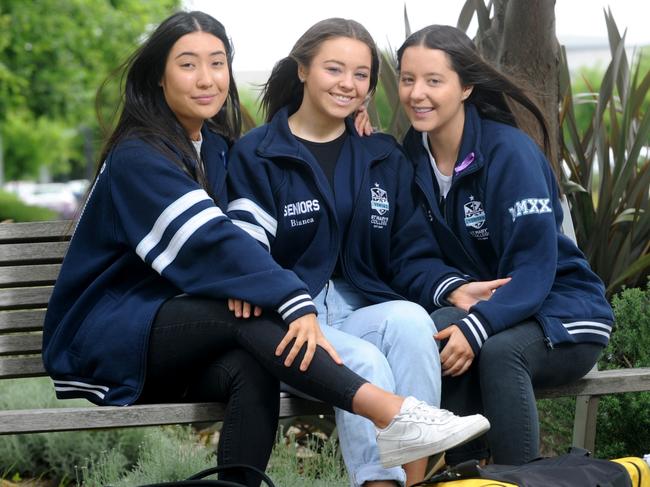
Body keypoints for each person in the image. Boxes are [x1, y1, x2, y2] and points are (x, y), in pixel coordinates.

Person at [41, 12, 488, 487]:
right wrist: (282, 294)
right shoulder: (139, 156)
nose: (207, 79)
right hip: (115, 329)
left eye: (217, 63)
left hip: (176, 322)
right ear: (159, 75)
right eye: (188, 65)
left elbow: (242, 220)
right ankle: (392, 414)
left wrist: (449, 288)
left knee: (249, 369)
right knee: (250, 314)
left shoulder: (213, 147)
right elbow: (208, 239)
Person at [226, 18, 491, 487]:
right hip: (286, 321)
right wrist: (267, 292)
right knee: (365, 361)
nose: (348, 84)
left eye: (361, 74)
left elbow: (408, 252)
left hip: (357, 306)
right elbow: (247, 247)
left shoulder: (380, 155)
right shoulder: (258, 152)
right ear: (303, 70)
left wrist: (453, 290)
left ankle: (414, 481)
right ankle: (378, 484)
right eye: (334, 69)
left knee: (412, 322)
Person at [396, 25, 614, 466]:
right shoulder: (412, 154)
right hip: (490, 311)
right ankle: (467, 473)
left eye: (434, 81)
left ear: (466, 86)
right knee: (441, 327)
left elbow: (534, 268)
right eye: (406, 79)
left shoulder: (509, 152)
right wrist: (454, 290)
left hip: (563, 313)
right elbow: (409, 254)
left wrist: (479, 325)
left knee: (495, 349)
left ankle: (520, 478)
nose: (417, 93)